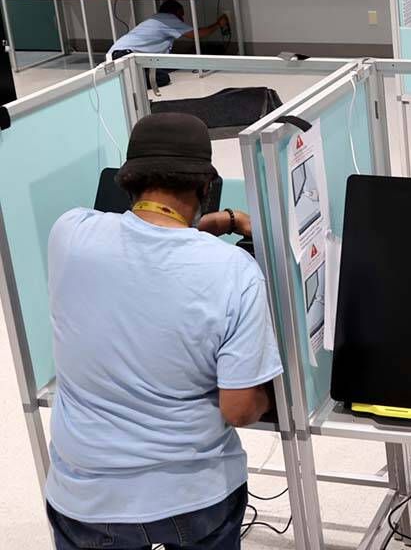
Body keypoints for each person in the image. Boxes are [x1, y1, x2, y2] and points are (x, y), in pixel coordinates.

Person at [44, 112, 280, 550]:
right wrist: (270, 390)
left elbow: (135, 243)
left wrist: (200, 227)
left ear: (126, 181)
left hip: (79, 499)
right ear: (205, 188)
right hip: (188, 503)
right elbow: (239, 410)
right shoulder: (233, 271)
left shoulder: (69, 233)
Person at [107, 0, 231, 87]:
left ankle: (128, 79)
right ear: (174, 13)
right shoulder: (168, 19)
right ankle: (130, 81)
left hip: (116, 54)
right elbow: (197, 34)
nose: (182, 20)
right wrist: (218, 24)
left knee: (160, 74)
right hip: (124, 56)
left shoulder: (155, 20)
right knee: (162, 78)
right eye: (181, 15)